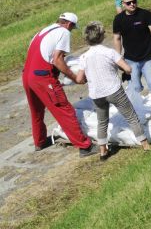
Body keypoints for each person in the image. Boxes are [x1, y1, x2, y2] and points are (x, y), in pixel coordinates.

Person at [22, 12, 98, 157]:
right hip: (42, 77)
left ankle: (40, 141)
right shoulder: (63, 32)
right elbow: (57, 60)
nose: (71, 31)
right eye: (72, 28)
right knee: (64, 109)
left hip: (27, 75)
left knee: (36, 111)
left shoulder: (43, 31)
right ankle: (85, 146)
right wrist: (74, 77)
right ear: (69, 24)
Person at [76, 21, 151, 159]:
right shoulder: (109, 52)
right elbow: (128, 68)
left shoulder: (84, 57)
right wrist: (122, 70)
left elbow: (79, 79)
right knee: (131, 116)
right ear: (101, 36)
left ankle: (102, 151)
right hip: (113, 90)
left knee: (102, 121)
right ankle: (145, 145)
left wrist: (89, 77)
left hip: (96, 94)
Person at [112, 0, 151, 94]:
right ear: (123, 4)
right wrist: (118, 57)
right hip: (130, 60)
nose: (132, 4)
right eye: (128, 3)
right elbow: (117, 38)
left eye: (134, 1)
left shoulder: (145, 14)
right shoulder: (118, 19)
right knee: (134, 89)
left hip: (148, 57)